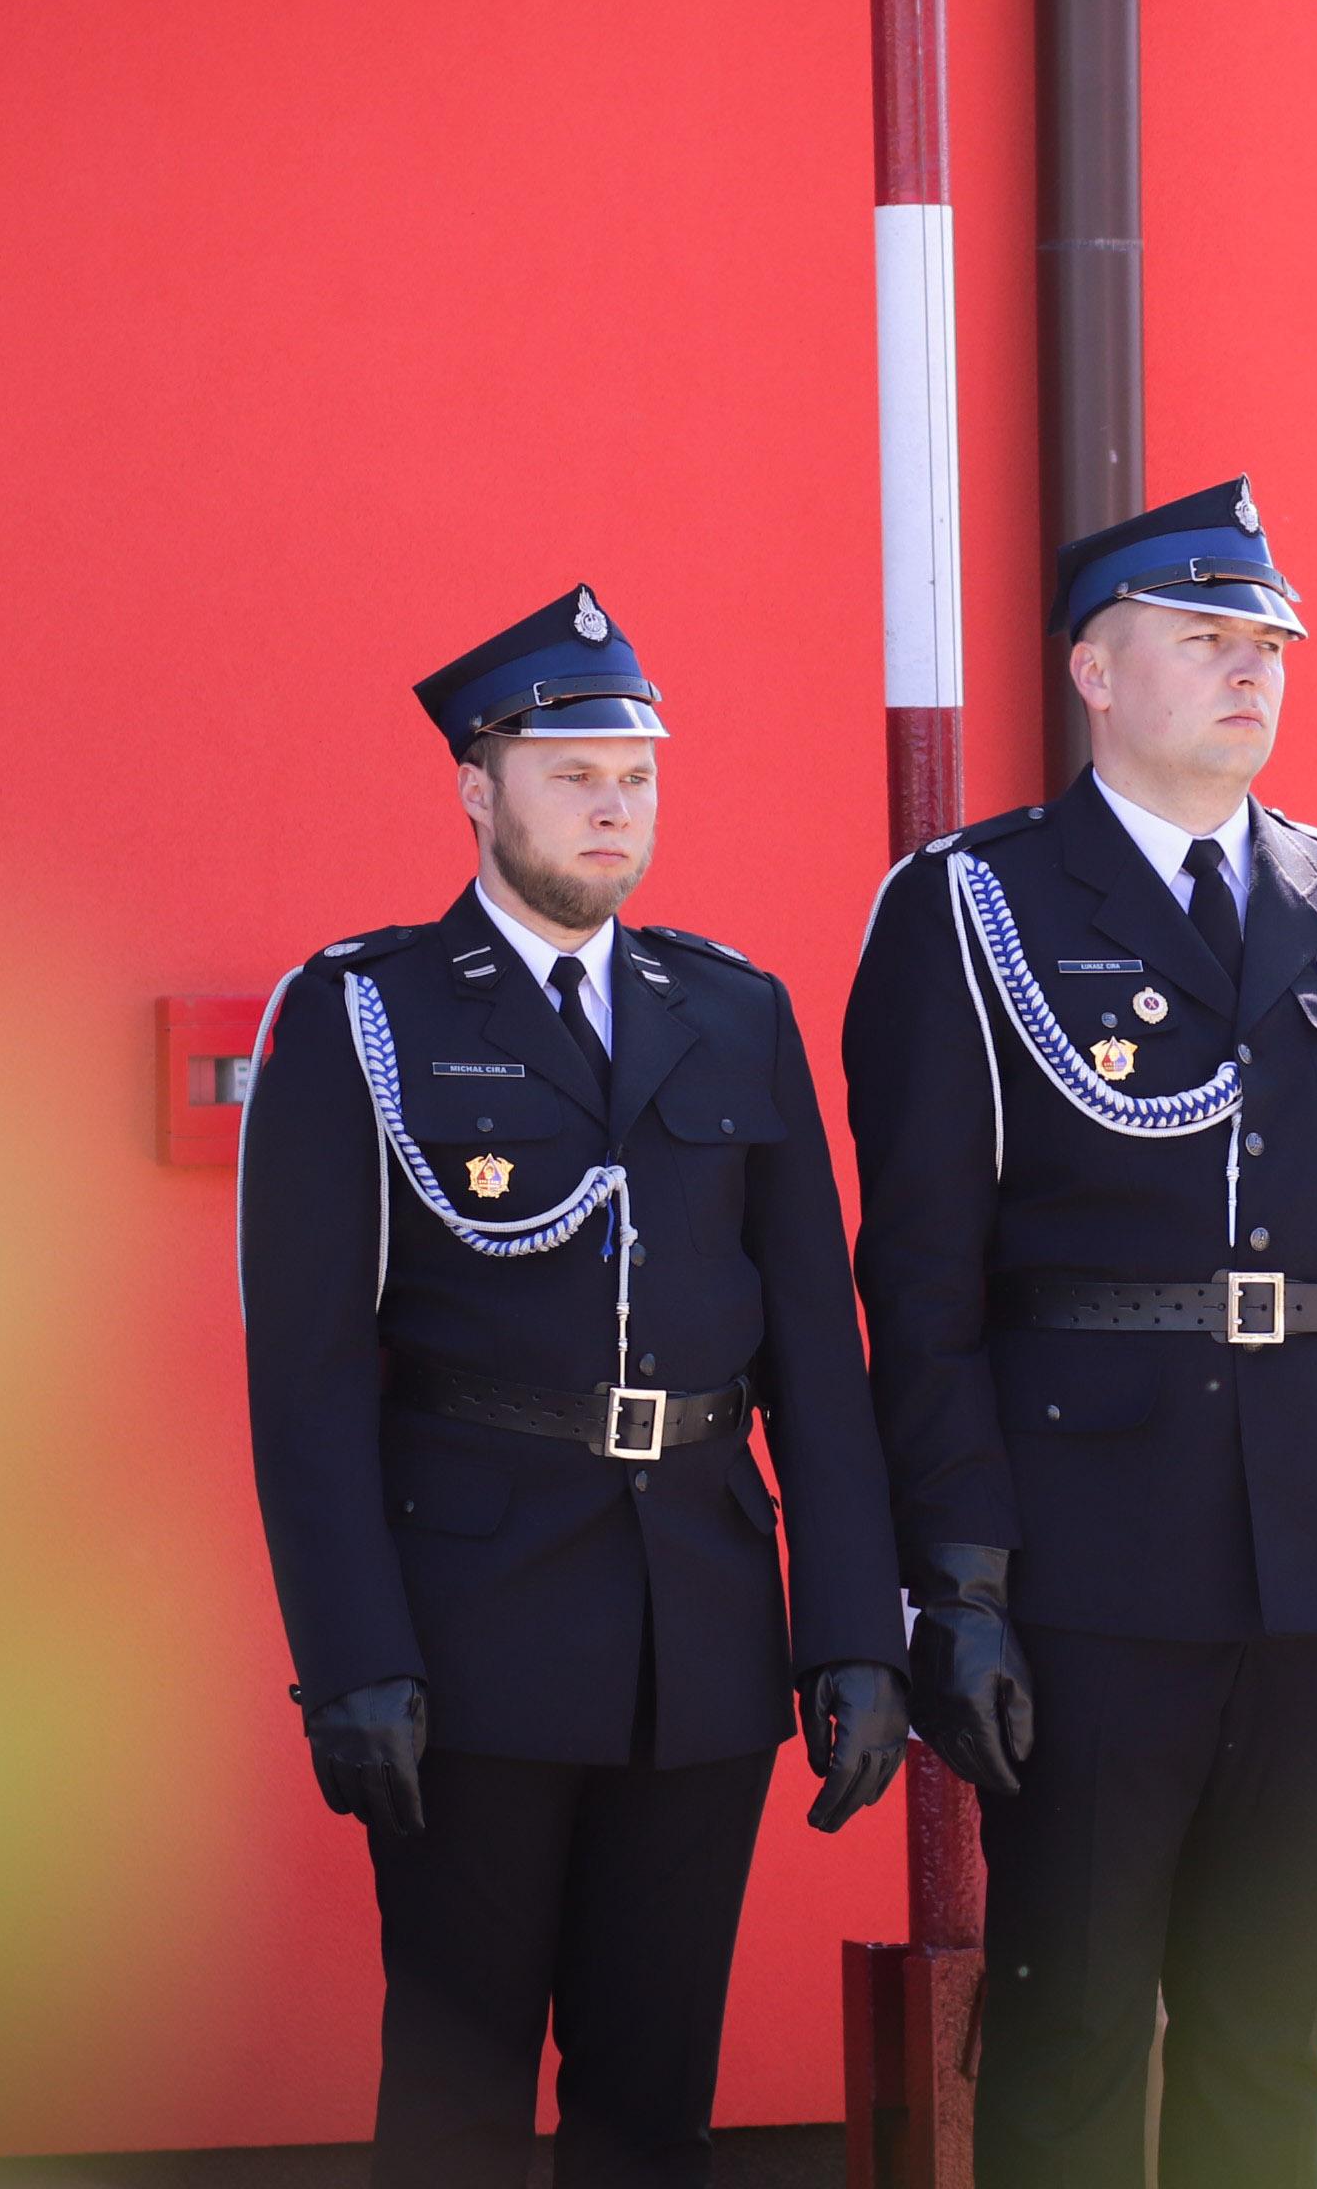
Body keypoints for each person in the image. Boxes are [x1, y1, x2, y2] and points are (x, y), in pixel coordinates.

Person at [840, 477, 1317, 2189]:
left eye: (1268, 644)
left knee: (1268, 2039)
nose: (1250, 670)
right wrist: (957, 1584)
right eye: (1205, 638)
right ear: (1092, 669)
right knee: (1071, 2033)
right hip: (1089, 1559)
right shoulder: (973, 905)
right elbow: (919, 1280)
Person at [237, 585, 910, 2189]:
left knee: (653, 2100)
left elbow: (815, 1356)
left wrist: (851, 1631)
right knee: (457, 2096)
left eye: (637, 777)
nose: (615, 808)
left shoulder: (731, 1010)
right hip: (470, 1629)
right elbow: (307, 1380)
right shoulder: (366, 1013)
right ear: (478, 791)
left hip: (701, 1627)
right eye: (573, 775)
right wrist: (352, 1659)